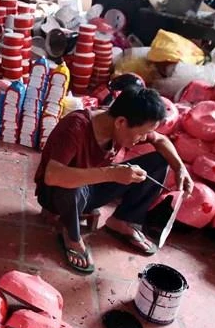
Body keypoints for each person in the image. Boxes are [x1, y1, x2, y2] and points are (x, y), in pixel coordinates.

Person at [34, 86, 193, 274]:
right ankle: (71, 235)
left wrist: (179, 168)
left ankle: (123, 220)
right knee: (71, 186)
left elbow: (160, 141)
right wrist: (112, 173)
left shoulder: (125, 126)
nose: (143, 138)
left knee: (159, 161)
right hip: (56, 193)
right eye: (141, 133)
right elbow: (53, 176)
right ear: (120, 122)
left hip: (89, 187)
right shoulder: (75, 127)